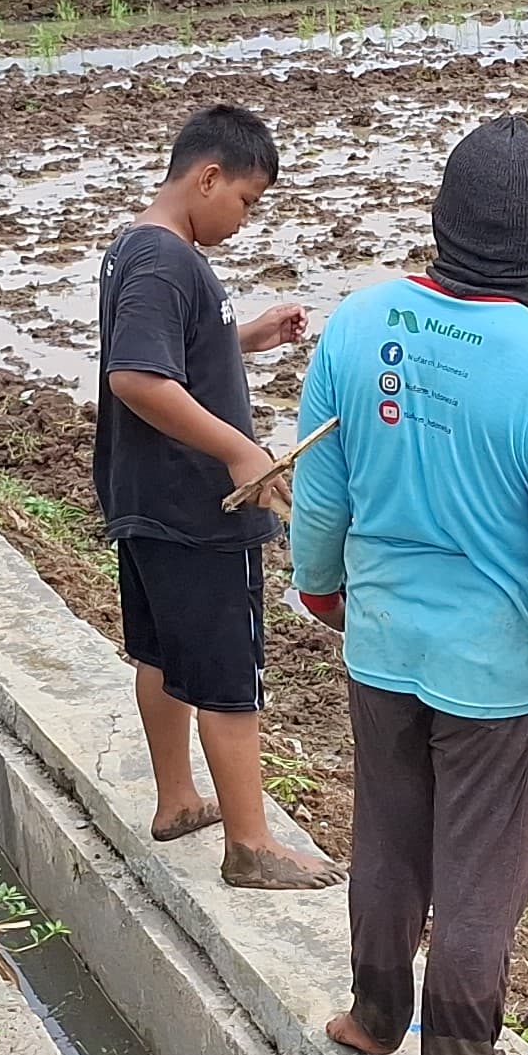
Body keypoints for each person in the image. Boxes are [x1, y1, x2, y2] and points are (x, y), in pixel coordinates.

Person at [289, 114, 528, 1055]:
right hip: (491, 673)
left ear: (440, 218)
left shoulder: (358, 322)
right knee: (482, 867)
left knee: (388, 837)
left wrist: (323, 593)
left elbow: (320, 495)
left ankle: (375, 1015)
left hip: (381, 641)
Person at [96, 105, 338, 892]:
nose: (244, 218)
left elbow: (167, 350)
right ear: (206, 177)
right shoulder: (168, 260)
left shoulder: (138, 247)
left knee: (161, 653)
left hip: (146, 497)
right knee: (230, 673)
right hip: (198, 507)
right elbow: (135, 375)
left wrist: (245, 336)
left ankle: (177, 800)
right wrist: (241, 450)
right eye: (245, 201)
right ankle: (251, 843)